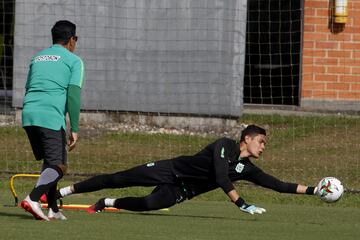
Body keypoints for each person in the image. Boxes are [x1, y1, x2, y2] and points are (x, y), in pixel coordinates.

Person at [57, 125, 318, 215]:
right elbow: (219, 175)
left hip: (183, 190)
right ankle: (65, 191)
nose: (263, 146)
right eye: (261, 141)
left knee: (149, 204)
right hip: (170, 170)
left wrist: (314, 191)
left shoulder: (246, 168)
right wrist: (241, 203)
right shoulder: (224, 145)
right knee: (118, 178)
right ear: (247, 139)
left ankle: (107, 202)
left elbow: (277, 184)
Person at [20, 20, 85, 221]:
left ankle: (53, 209)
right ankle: (33, 198)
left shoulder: (37, 57)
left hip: (29, 114)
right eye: (76, 39)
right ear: (72, 40)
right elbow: (73, 96)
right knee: (60, 166)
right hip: (50, 117)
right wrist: (74, 128)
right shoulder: (74, 61)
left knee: (51, 162)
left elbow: (28, 87)